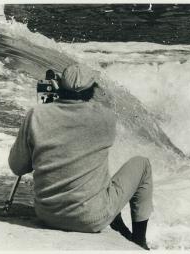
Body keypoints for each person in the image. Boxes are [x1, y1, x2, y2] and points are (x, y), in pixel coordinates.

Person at [8, 64, 153, 250]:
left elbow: (17, 167)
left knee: (89, 167)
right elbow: (104, 100)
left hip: (47, 215)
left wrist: (48, 108)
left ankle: (115, 218)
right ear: (92, 89)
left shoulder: (36, 114)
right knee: (142, 164)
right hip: (90, 219)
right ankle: (139, 242)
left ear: (60, 86)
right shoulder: (105, 118)